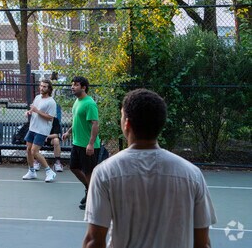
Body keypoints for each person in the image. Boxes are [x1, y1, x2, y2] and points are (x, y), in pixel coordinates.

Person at [82, 89, 216, 248]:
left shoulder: (105, 172)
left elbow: (94, 241)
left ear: (127, 124)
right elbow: (203, 243)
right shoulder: (191, 174)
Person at [62, 76, 99, 210]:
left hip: (87, 145)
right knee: (74, 167)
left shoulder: (90, 104)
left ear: (83, 87)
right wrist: (68, 132)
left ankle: (92, 198)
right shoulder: (77, 102)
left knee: (89, 172)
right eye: (72, 84)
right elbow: (77, 121)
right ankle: (89, 190)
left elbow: (95, 124)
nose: (72, 87)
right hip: (77, 143)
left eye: (76, 85)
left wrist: (90, 144)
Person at [22, 79, 58, 182]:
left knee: (34, 151)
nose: (42, 88)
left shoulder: (51, 102)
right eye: (41, 86)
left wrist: (37, 111)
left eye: (44, 87)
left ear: (49, 88)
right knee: (28, 150)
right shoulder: (37, 98)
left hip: (42, 130)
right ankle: (31, 171)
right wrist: (29, 112)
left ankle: (49, 171)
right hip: (32, 128)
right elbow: (33, 110)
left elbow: (50, 117)